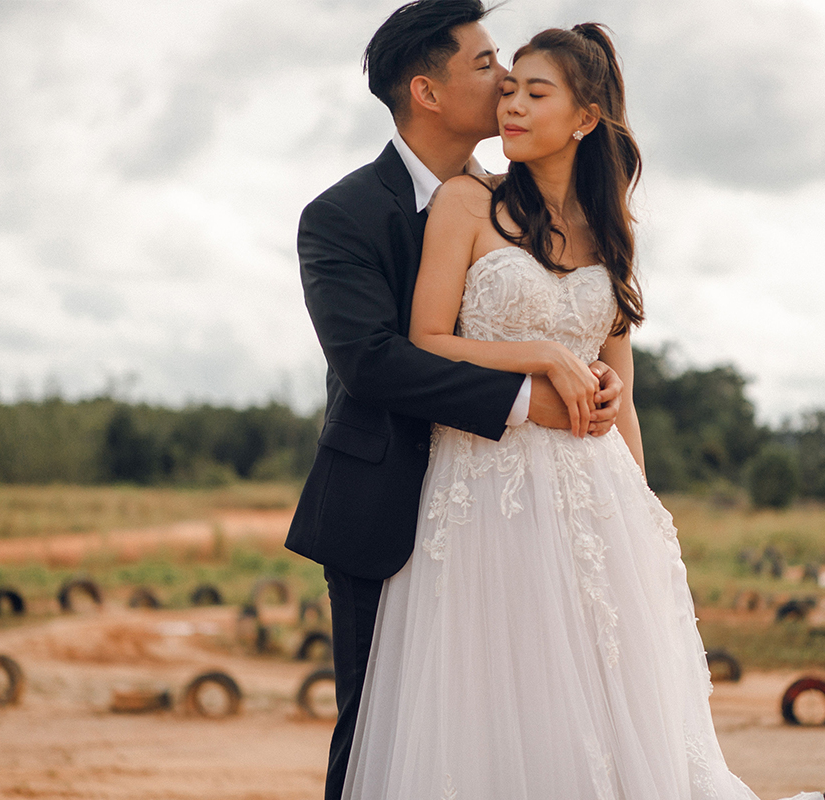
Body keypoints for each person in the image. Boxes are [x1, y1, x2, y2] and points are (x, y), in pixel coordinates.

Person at [341, 24, 825, 800]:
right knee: (498, 693)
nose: (514, 104)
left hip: (591, 496)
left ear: (586, 117)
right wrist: (543, 355)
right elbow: (427, 340)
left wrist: (644, 512)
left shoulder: (611, 233)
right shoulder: (468, 204)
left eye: (537, 92)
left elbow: (620, 393)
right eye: (509, 89)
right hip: (485, 491)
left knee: (608, 698)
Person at [288, 3, 623, 799]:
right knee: (381, 744)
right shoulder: (341, 216)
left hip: (521, 519)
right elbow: (372, 363)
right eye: (484, 65)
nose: (506, 79)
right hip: (388, 513)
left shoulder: (521, 200)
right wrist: (528, 395)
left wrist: (590, 370)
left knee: (529, 731)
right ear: (426, 92)